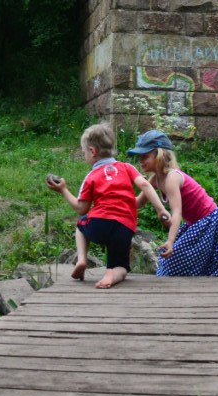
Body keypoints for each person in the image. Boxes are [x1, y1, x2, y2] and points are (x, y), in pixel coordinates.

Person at [47, 121, 171, 288]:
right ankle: (111, 274)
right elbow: (145, 185)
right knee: (121, 267)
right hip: (124, 228)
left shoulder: (92, 176)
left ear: (92, 152)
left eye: (84, 152)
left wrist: (63, 190)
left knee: (81, 223)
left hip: (99, 224)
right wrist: (161, 210)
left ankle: (82, 259)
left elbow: (81, 207)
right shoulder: (126, 167)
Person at [127, 128, 218, 277]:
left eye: (145, 156)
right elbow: (138, 202)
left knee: (178, 261)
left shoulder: (172, 178)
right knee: (174, 262)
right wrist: (114, 199)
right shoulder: (155, 179)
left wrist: (170, 241)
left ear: (160, 155)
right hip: (196, 224)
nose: (141, 161)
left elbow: (177, 212)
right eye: (139, 157)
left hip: (211, 222)